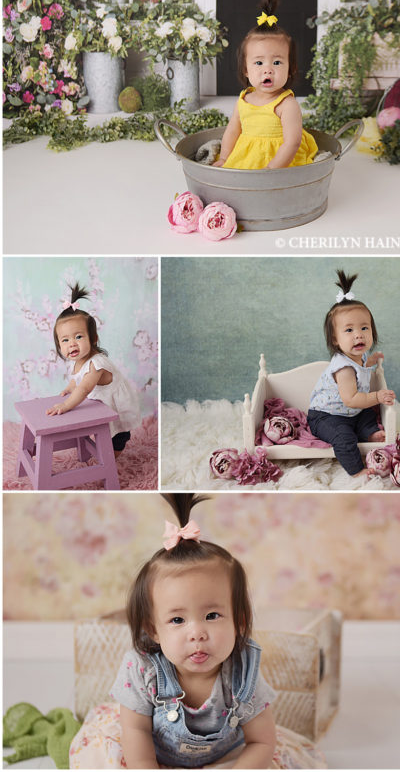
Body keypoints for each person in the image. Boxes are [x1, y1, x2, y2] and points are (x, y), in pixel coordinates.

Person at [69, 494, 325, 768]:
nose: (197, 633)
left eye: (212, 616)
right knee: (103, 752)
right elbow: (136, 732)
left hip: (224, 755)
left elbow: (261, 741)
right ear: (153, 630)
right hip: (149, 753)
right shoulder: (143, 670)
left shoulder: (243, 672)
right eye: (178, 620)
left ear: (239, 622)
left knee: (276, 761)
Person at [214, 0, 319, 170]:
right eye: (259, 63)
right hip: (248, 155)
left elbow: (292, 143)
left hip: (280, 160)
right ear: (246, 70)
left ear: (291, 69)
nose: (267, 70)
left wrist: (271, 170)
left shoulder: (287, 104)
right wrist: (224, 158)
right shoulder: (244, 99)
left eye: (277, 62)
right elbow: (232, 131)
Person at [308, 270, 395, 477]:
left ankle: (370, 434)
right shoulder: (344, 368)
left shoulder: (359, 356)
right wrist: (377, 396)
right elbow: (352, 399)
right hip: (327, 417)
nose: (358, 335)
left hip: (350, 413)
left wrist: (371, 362)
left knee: (367, 414)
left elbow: (362, 370)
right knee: (344, 436)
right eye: (349, 330)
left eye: (364, 328)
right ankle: (356, 471)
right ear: (335, 339)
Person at [48, 281, 141, 454]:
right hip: (102, 406)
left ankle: (114, 458)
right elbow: (77, 381)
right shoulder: (78, 360)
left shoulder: (97, 364)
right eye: (65, 340)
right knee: (101, 432)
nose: (72, 344)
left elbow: (84, 388)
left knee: (116, 438)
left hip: (116, 409)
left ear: (93, 338)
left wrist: (66, 405)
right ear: (59, 345)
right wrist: (69, 387)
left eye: (78, 337)